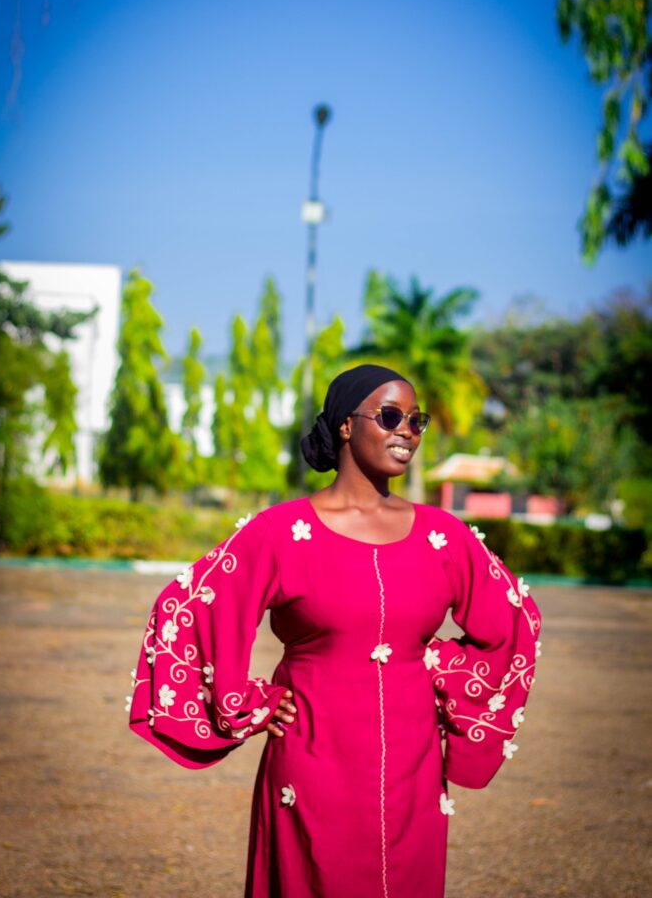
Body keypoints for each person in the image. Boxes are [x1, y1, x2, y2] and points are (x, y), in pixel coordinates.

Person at [128, 364, 542, 898]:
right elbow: (190, 607)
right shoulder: (280, 532)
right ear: (346, 424)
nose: (406, 431)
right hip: (312, 757)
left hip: (413, 767)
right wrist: (247, 700)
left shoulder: (444, 535)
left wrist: (437, 670)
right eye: (389, 416)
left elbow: (514, 620)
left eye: (416, 421)